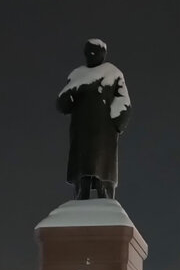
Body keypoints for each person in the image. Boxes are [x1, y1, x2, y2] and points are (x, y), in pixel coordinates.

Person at [56, 38, 131, 200]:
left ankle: (104, 198)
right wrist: (73, 90)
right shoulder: (77, 75)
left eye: (96, 52)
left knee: (103, 170)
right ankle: (81, 196)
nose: (92, 55)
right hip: (81, 131)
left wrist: (117, 123)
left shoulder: (113, 73)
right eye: (89, 52)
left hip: (104, 132)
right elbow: (63, 105)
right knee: (82, 169)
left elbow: (124, 102)